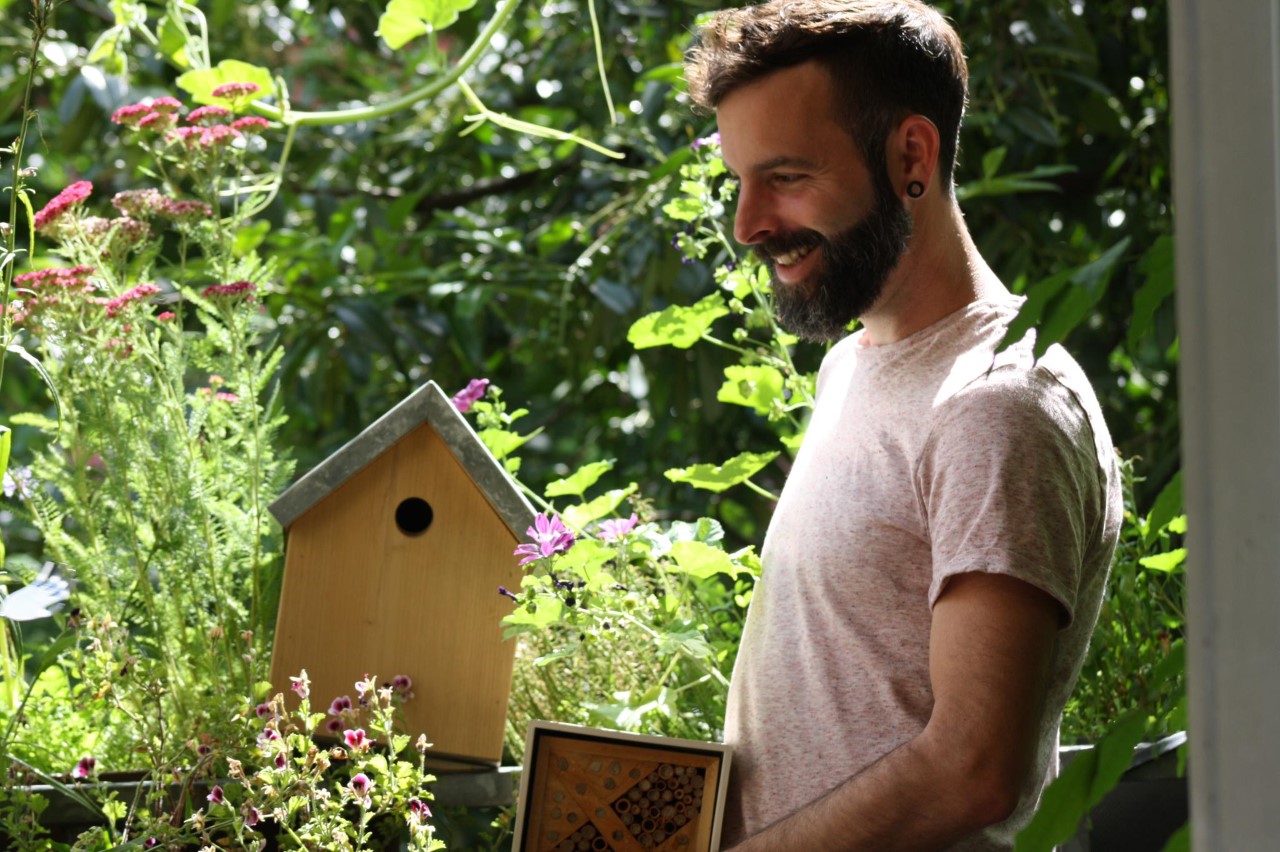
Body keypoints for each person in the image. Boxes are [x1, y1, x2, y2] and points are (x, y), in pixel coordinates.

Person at [682, 2, 1123, 849]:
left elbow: (975, 768)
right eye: (738, 182)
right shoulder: (854, 366)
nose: (748, 225)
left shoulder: (999, 405)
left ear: (911, 156)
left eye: (785, 176)